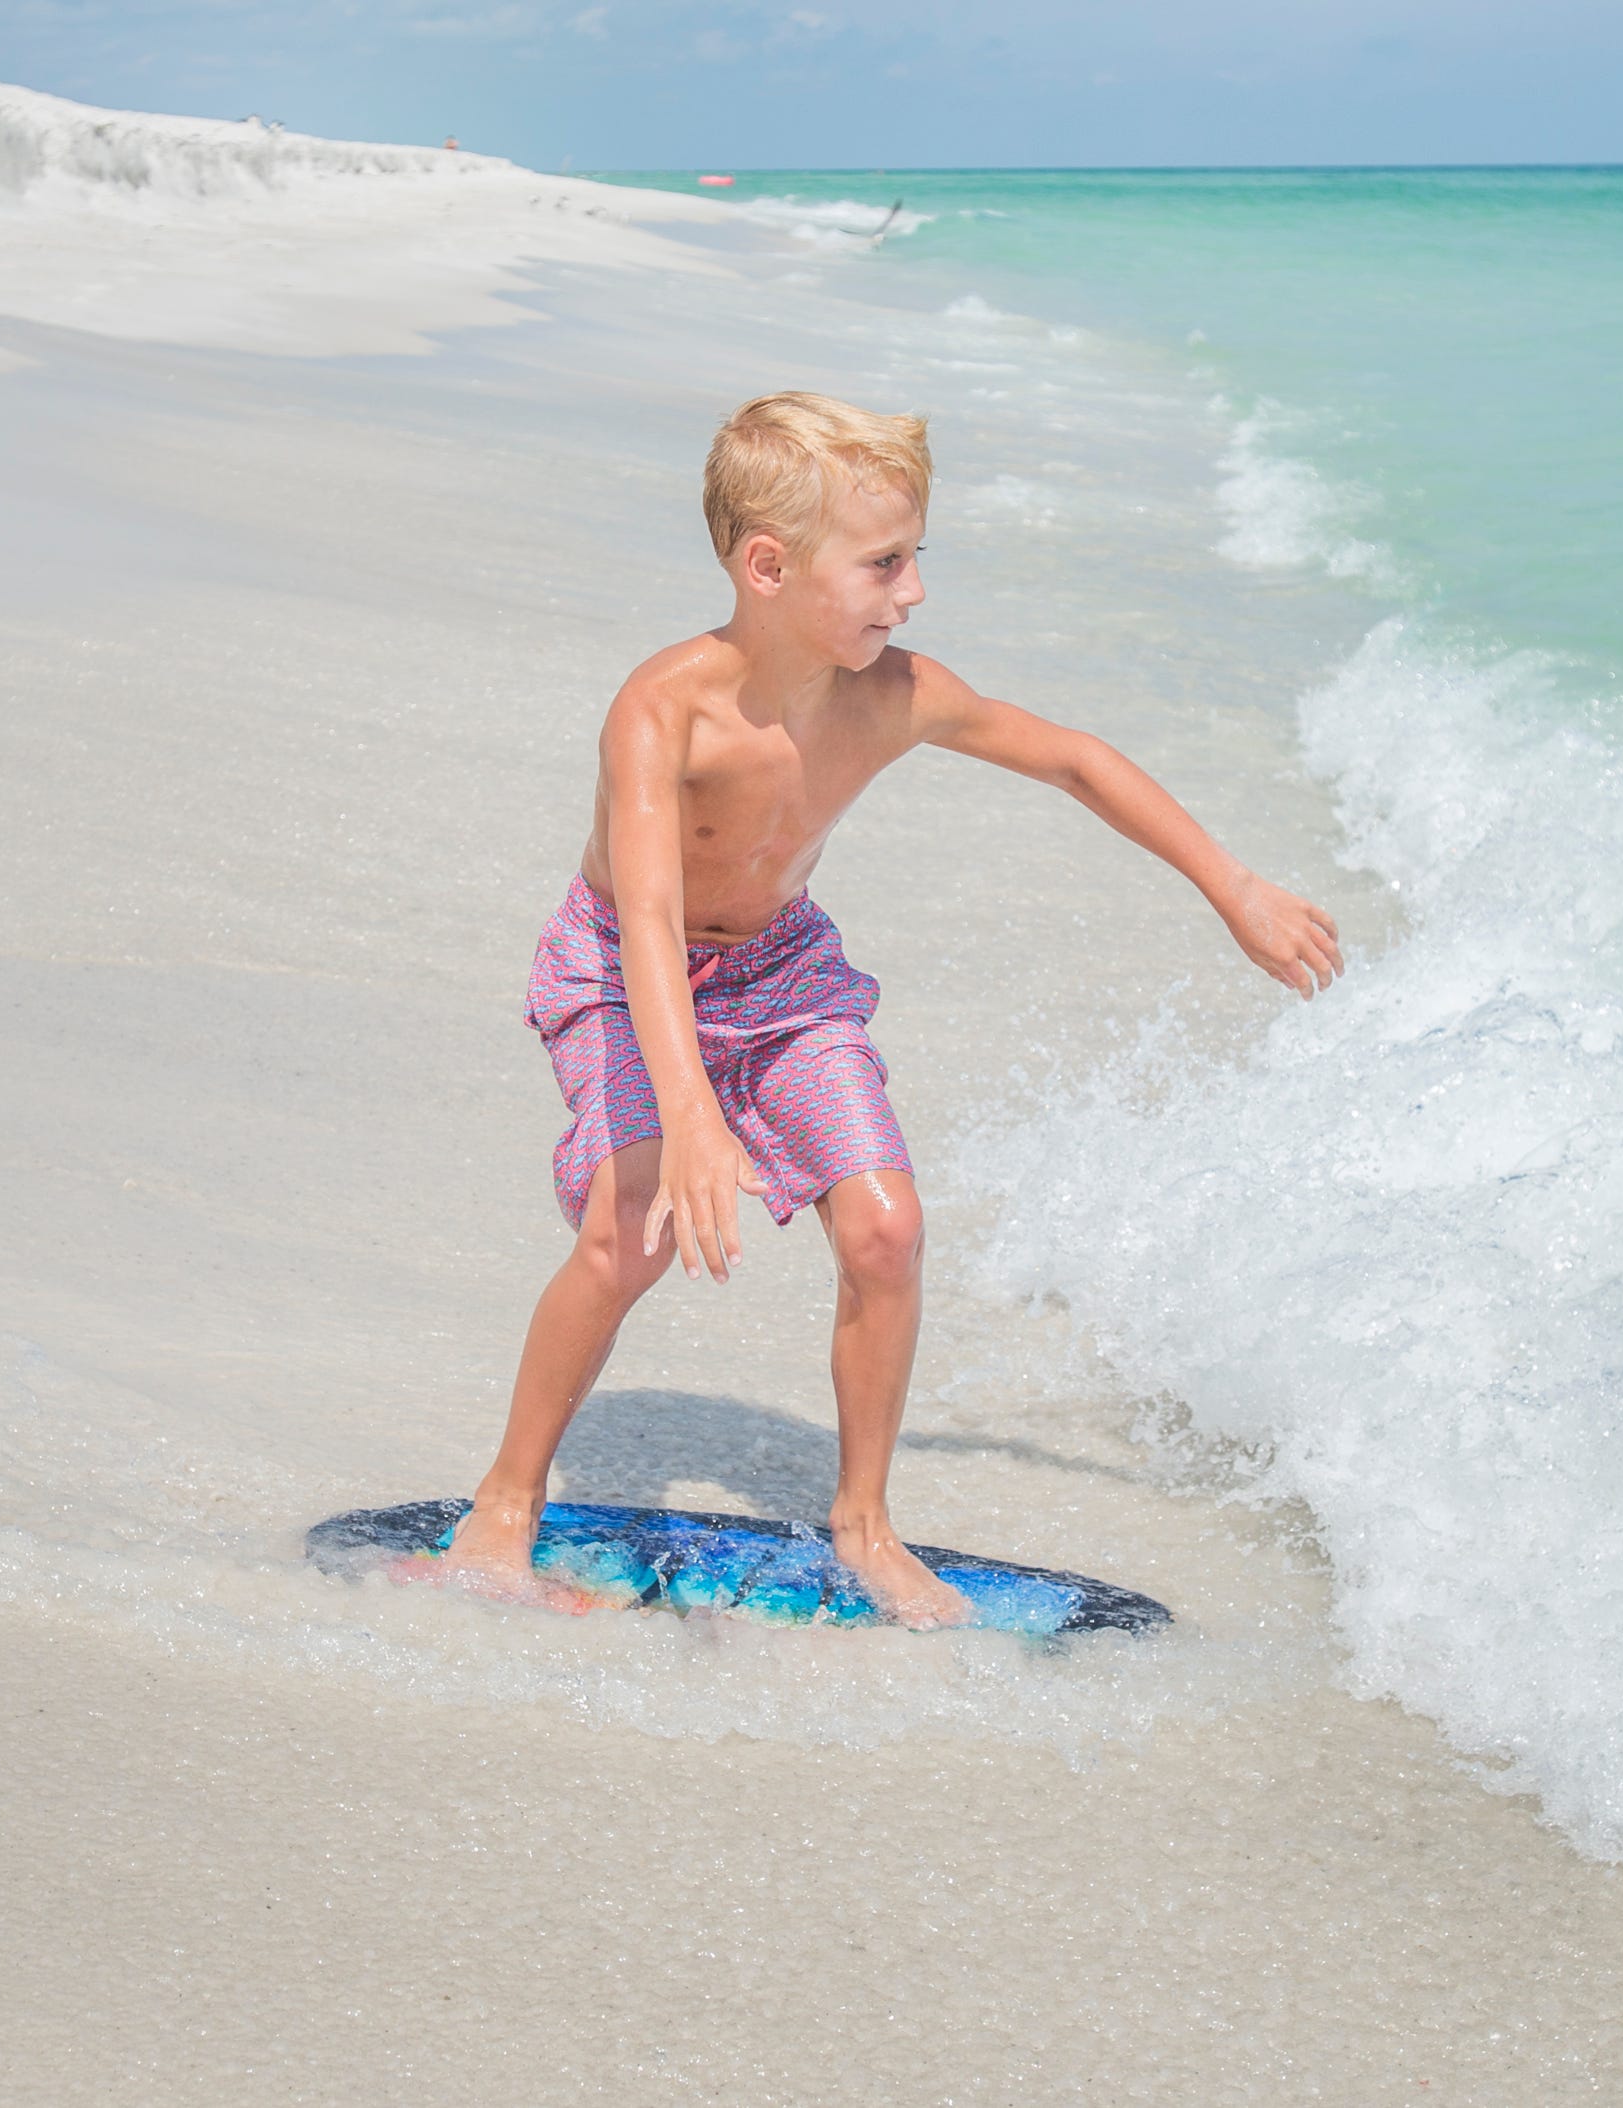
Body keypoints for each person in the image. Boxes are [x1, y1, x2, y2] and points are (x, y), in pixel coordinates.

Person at [438, 392, 1341, 1625]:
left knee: (887, 1230)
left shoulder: (893, 695)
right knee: (630, 1225)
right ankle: (505, 1495)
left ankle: (863, 1521)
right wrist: (692, 1116)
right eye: (883, 563)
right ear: (768, 566)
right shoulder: (665, 708)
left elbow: (1073, 755)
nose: (910, 591)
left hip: (783, 974)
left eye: (914, 557)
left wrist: (1231, 883)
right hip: (621, 966)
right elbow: (645, 921)